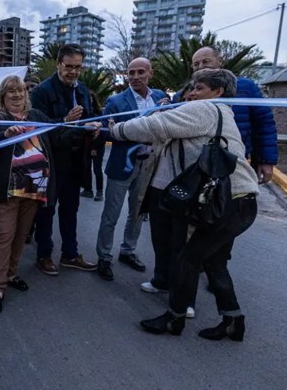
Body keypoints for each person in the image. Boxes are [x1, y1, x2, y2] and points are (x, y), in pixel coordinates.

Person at [107, 69, 259, 341]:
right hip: (239, 202)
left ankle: (174, 319)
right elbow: (164, 127)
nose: (191, 93)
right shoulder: (218, 112)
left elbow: (155, 128)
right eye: (191, 88)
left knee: (187, 259)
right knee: (213, 262)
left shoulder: (206, 110)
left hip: (228, 202)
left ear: (218, 92)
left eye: (199, 88)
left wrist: (116, 130)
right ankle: (233, 320)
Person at [0, 76, 59, 314]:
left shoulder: (37, 116)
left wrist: (86, 127)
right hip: (6, 190)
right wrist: (4, 136)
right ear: (2, 95)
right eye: (11, 91)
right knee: (4, 236)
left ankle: (11, 274)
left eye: (20, 90)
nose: (16, 94)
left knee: (20, 236)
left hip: (34, 190)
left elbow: (59, 132)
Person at [28, 43, 100, 275]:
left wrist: (93, 128)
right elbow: (40, 131)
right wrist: (65, 120)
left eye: (78, 67)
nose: (73, 72)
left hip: (77, 161)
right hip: (51, 162)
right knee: (46, 210)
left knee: (71, 209)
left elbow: (87, 119)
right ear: (58, 64)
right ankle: (44, 255)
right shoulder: (41, 92)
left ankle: (70, 254)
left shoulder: (83, 90)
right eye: (69, 66)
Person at [94, 58, 168, 281]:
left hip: (150, 164)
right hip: (122, 165)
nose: (135, 77)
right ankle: (104, 257)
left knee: (137, 213)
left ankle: (128, 250)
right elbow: (107, 132)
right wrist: (107, 130)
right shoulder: (116, 101)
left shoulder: (160, 98)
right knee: (111, 215)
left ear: (150, 73)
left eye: (140, 72)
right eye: (131, 72)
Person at [190, 47, 278, 183]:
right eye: (196, 64)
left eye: (206, 61)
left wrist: (266, 160)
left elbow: (264, 124)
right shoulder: (188, 92)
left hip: (236, 161)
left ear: (220, 61)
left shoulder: (245, 87)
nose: (201, 67)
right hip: (197, 163)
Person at [79, 91, 106, 202]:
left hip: (96, 146)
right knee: (86, 168)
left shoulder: (99, 114)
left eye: (89, 98)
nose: (87, 100)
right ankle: (88, 189)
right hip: (86, 146)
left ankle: (99, 192)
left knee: (97, 169)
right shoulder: (84, 114)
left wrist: (95, 147)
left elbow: (100, 132)